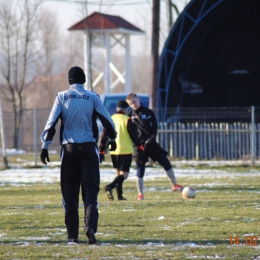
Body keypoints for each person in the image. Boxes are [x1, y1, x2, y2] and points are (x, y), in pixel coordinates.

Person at [40, 66, 117, 245]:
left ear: (69, 81)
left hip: (69, 150)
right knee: (90, 191)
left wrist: (45, 145)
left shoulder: (61, 97)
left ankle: (72, 236)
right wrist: (112, 138)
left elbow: (51, 123)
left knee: (69, 192)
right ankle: (90, 226)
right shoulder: (93, 97)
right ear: (84, 81)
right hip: (89, 150)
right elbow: (108, 122)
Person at [125, 93, 183, 200]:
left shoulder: (148, 112)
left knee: (165, 162)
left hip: (151, 144)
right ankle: (140, 194)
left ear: (138, 99)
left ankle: (174, 184)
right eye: (131, 103)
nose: (133, 104)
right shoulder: (129, 117)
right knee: (140, 171)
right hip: (139, 147)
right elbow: (129, 134)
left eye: (134, 101)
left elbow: (154, 129)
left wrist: (150, 140)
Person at [99, 100, 143, 201]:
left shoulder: (111, 118)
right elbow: (134, 135)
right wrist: (140, 146)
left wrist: (101, 150)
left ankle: (120, 196)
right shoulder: (127, 120)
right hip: (125, 150)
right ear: (125, 110)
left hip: (113, 151)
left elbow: (104, 135)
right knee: (124, 174)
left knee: (118, 173)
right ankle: (110, 186)